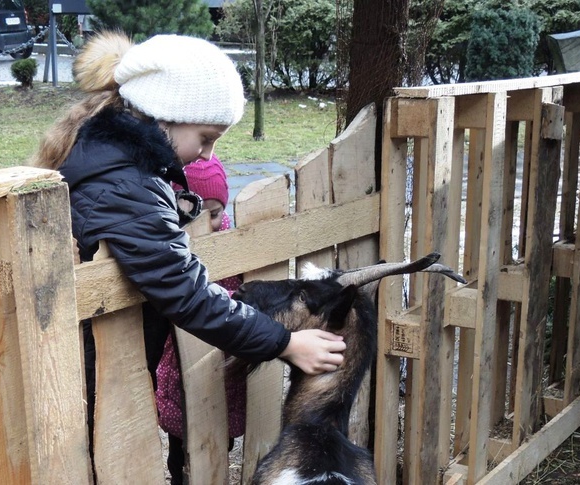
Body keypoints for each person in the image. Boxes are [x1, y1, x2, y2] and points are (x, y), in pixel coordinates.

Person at [30, 30, 345, 441]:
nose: (208, 155)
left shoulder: (116, 163)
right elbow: (186, 292)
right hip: (87, 365)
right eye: (206, 138)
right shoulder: (127, 187)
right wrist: (285, 343)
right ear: (165, 115)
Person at [157, 154, 245, 484]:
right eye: (195, 212)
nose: (207, 223)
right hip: (178, 362)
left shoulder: (234, 241)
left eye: (216, 212)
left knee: (222, 438)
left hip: (224, 364)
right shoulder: (166, 248)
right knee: (181, 446)